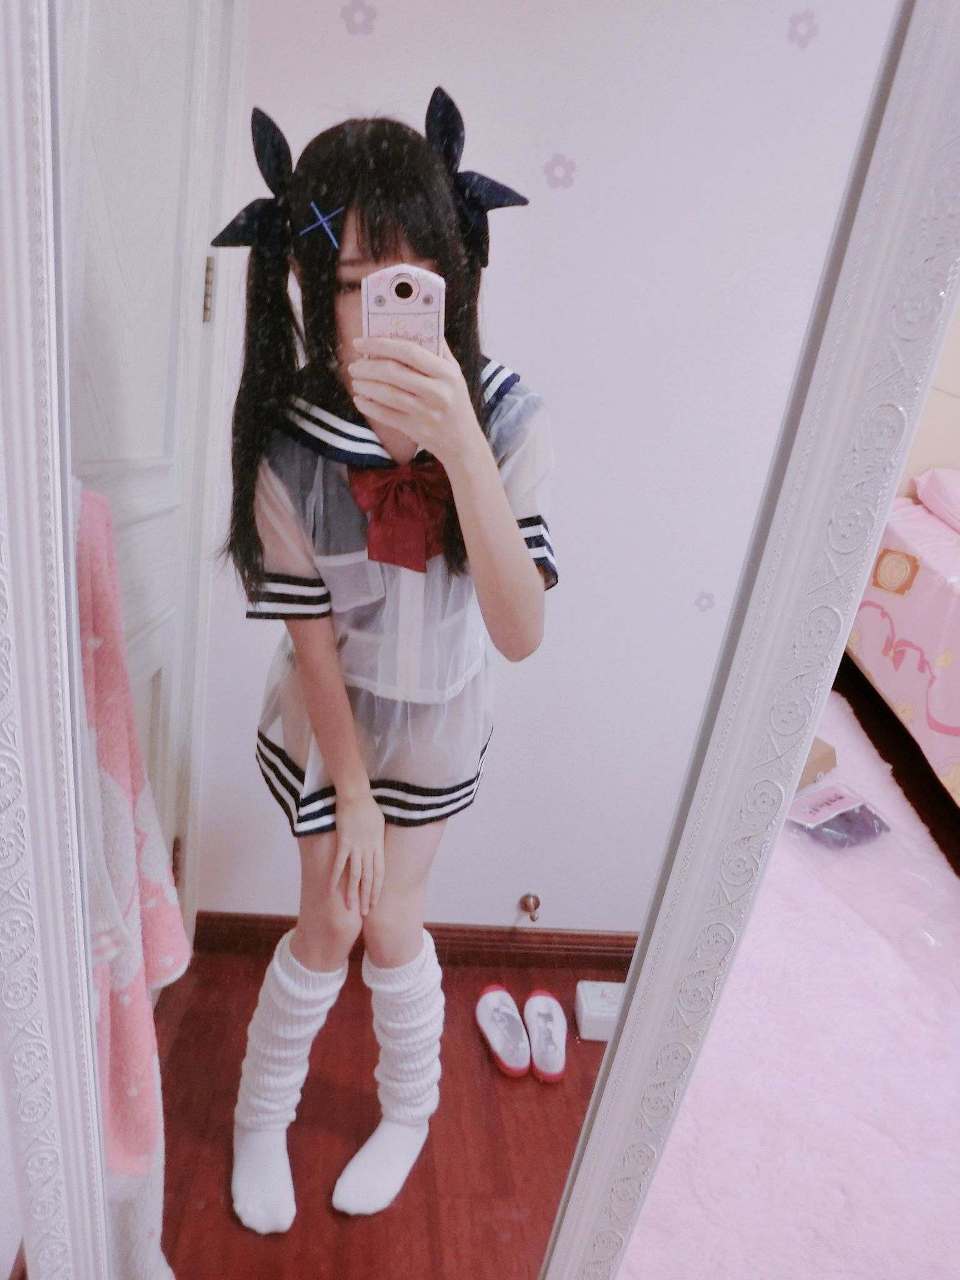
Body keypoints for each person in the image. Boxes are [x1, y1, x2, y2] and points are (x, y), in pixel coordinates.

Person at [209, 85, 559, 1233]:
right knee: (327, 921)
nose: (376, 311)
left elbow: (519, 630)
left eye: (406, 279)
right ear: (309, 286)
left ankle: (410, 1108)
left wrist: (459, 446)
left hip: (439, 714)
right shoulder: (291, 440)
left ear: (451, 275)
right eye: (351, 282)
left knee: (395, 921)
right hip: (335, 719)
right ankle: (262, 1112)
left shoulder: (507, 416)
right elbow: (311, 638)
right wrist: (350, 792)